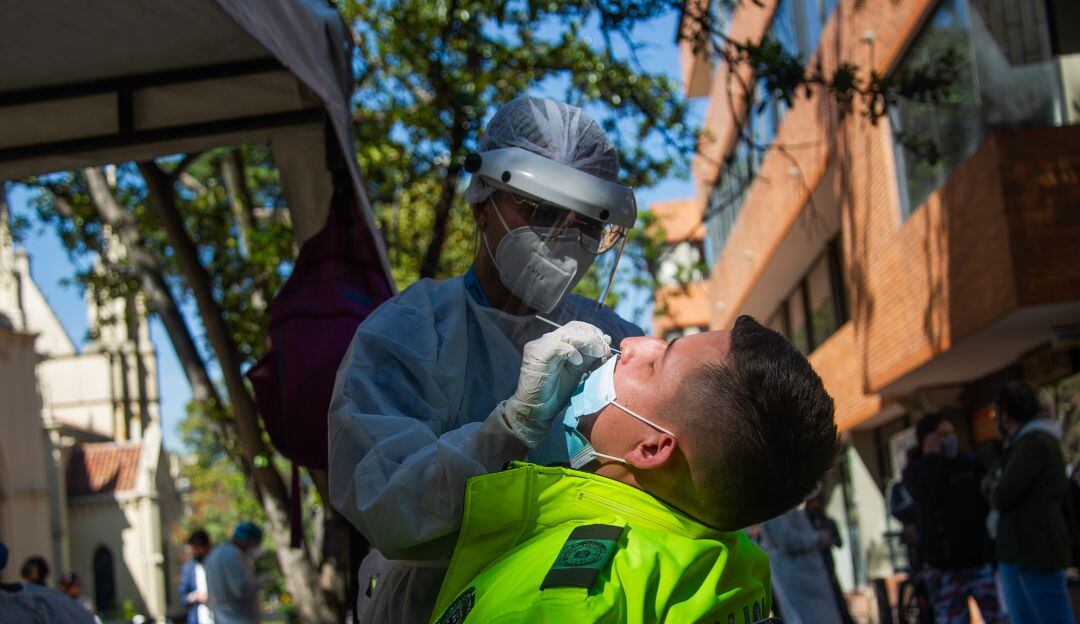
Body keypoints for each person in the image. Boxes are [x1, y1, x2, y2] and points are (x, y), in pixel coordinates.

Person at [329, 96, 644, 622]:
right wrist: (509, 428)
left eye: (589, 224)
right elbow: (386, 506)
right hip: (435, 605)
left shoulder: (614, 339)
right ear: (482, 199)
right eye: (542, 211)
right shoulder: (409, 334)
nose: (566, 237)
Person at [428, 316, 842, 622]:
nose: (631, 343)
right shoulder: (728, 563)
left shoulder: (567, 604)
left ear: (652, 447)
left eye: (656, 362)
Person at [901, 413, 1005, 624]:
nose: (950, 439)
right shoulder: (918, 471)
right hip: (944, 569)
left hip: (979, 562)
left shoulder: (969, 464)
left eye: (951, 433)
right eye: (943, 435)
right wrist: (932, 458)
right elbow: (926, 498)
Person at [992, 381, 1074, 623]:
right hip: (1024, 549)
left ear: (1006, 416)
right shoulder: (1024, 444)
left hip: (1036, 549)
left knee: (1051, 615)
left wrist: (994, 489)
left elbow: (1003, 493)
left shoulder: (1033, 443)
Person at [761, 506, 844, 623]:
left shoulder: (789, 507)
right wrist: (818, 538)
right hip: (796, 579)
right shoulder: (774, 510)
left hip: (808, 580)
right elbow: (788, 541)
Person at [805, 493, 855, 624]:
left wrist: (827, 538)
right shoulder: (806, 521)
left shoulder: (828, 522)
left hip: (828, 567)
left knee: (837, 601)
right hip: (812, 570)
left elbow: (839, 542)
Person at [204, 522, 268, 624]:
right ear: (248, 541)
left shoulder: (217, 553)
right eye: (255, 543)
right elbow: (242, 588)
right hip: (237, 618)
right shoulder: (232, 556)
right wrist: (260, 581)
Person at [179, 529, 215, 624]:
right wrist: (195, 596)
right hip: (198, 618)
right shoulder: (189, 568)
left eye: (198, 549)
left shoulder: (216, 565)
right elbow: (183, 596)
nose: (196, 552)